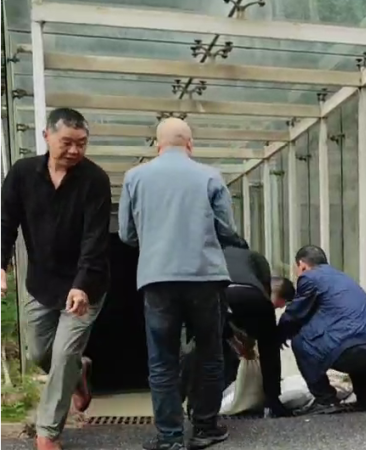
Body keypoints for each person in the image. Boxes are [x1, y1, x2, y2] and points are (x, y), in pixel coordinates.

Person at [119, 118, 243, 450]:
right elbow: (227, 229)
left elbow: (127, 235)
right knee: (209, 355)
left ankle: (170, 437)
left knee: (162, 359)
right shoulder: (210, 176)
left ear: (157, 144)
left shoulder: (134, 177)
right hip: (204, 277)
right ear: (190, 144)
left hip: (157, 278)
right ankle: (205, 428)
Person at [0, 108, 111, 450]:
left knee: (63, 354)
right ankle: (79, 374)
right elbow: (5, 222)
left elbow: (95, 238)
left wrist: (81, 285)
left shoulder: (95, 179)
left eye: (82, 143)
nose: (75, 150)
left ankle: (48, 433)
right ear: (47, 136)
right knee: (37, 353)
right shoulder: (22, 174)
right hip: (41, 283)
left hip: (87, 283)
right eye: (67, 142)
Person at [278, 245, 366, 415]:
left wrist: (279, 335)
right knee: (349, 338)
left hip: (354, 352)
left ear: (302, 265)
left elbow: (294, 315)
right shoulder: (343, 277)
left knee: (300, 340)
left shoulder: (309, 278)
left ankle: (325, 400)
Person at [180, 237, 290, 418]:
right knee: (269, 346)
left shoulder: (212, 255)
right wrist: (255, 336)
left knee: (204, 349)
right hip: (252, 295)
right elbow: (265, 289)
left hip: (218, 296)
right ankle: (273, 402)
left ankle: (196, 405)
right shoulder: (255, 257)